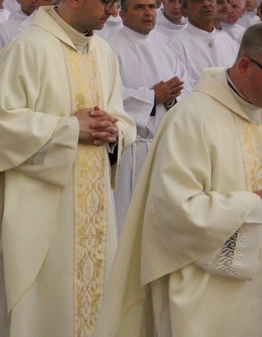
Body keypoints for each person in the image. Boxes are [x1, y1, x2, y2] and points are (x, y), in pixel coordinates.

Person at [0, 0, 136, 336]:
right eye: (109, 1)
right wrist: (72, 129)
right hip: (38, 205)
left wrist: (114, 132)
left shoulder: (103, 52)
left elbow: (122, 116)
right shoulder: (28, 48)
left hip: (92, 205)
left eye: (117, 1)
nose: (114, 13)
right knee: (37, 304)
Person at [95, 24, 262, 336]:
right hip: (203, 291)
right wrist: (253, 207)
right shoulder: (192, 118)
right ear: (244, 65)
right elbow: (176, 211)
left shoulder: (257, 112)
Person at [108, 0, 188, 233]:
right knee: (126, 221)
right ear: (122, 15)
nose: (147, 12)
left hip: (164, 145)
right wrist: (152, 97)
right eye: (139, 7)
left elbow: (187, 86)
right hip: (132, 149)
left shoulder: (165, 46)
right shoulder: (111, 48)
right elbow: (110, 95)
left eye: (152, 7)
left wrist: (172, 97)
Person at [168, 0, 239, 88]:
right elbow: (181, 88)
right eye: (197, 0)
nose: (206, 4)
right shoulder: (176, 46)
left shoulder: (230, 42)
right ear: (184, 11)